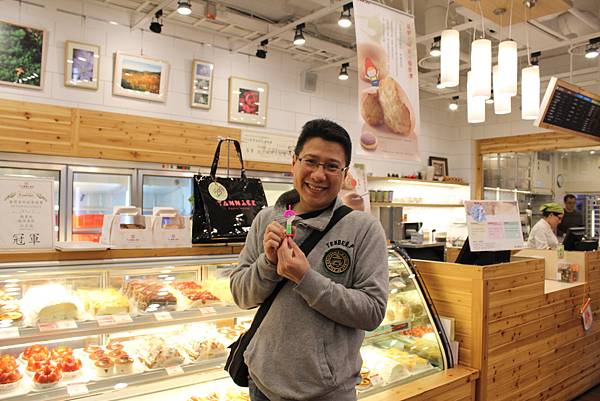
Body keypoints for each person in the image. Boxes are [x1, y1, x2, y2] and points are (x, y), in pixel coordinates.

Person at [230, 119, 389, 401]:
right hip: (261, 383)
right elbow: (242, 296)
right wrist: (268, 265)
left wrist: (305, 279)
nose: (318, 175)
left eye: (331, 166)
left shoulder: (364, 229)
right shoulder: (266, 219)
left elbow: (372, 312)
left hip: (326, 392)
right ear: (294, 162)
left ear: (345, 173)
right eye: (311, 161)